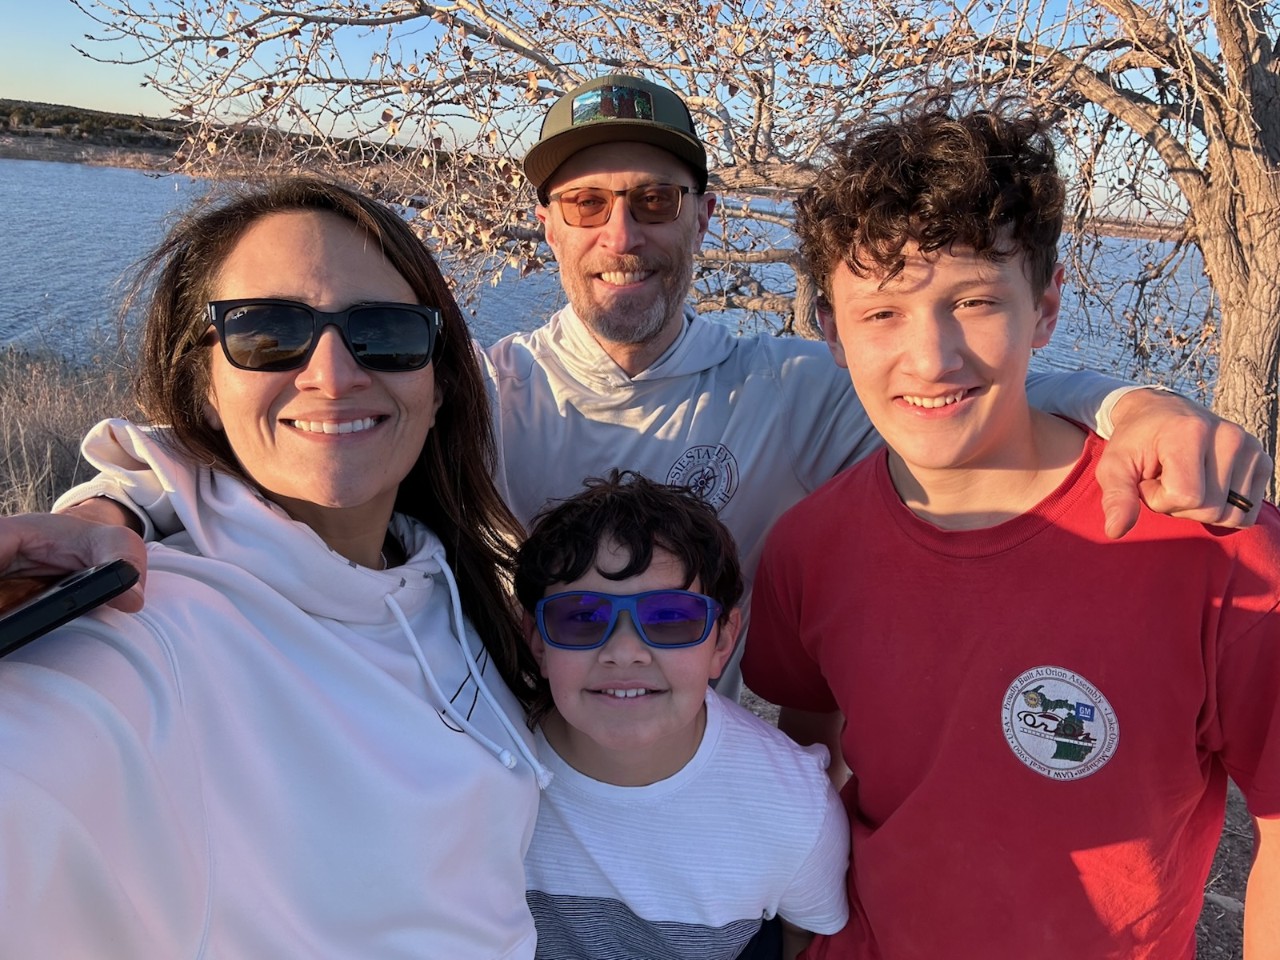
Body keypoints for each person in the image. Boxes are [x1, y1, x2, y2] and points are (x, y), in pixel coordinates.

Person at [3, 75, 1272, 700]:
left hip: (737, 791)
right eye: (587, 204)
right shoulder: (475, 390)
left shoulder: (796, 388)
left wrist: (1129, 408)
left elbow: (960, 394)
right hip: (536, 783)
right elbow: (263, 436)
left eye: (654, 202)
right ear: (547, 227)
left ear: (702, 219)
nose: (623, 232)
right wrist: (111, 510)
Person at [741, 101, 1280, 958]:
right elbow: (806, 768)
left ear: (1048, 306)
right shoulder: (808, 549)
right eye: (881, 313)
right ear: (831, 329)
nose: (931, 358)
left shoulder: (1209, 545)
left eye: (976, 300)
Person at [0, 178, 549, 958]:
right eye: (267, 333)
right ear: (206, 385)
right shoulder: (150, 634)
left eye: (384, 332)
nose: (333, 373)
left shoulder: (443, 581)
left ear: (439, 382)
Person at [514, 470, 848, 960]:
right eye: (582, 616)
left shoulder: (795, 809)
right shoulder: (483, 768)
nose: (624, 652)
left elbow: (806, 942)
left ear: (724, 640)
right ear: (537, 640)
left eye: (670, 617)